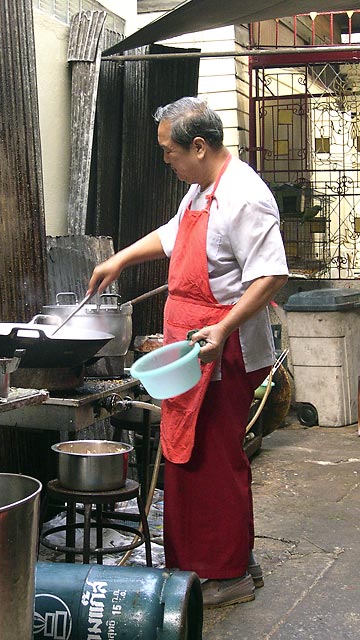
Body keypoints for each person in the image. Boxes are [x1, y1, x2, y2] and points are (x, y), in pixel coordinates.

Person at [87, 96, 289, 608]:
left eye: (169, 152)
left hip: (226, 349)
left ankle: (230, 574)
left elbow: (270, 275)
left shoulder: (245, 195)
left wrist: (221, 329)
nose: (166, 161)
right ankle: (220, 560)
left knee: (214, 462)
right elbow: (173, 236)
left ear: (199, 146)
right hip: (191, 350)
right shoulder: (200, 192)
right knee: (187, 459)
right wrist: (120, 260)